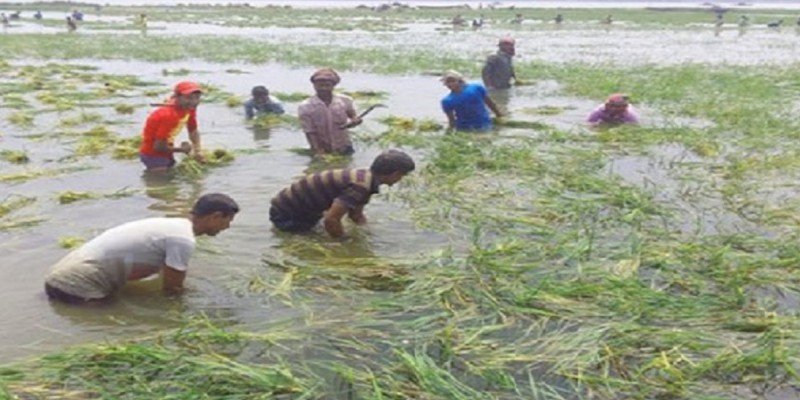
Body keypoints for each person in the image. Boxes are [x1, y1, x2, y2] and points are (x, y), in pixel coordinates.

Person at [44, 193, 239, 304]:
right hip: (77, 285)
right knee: (114, 322)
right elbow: (172, 290)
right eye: (227, 220)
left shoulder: (172, 225)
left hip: (60, 273)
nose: (227, 227)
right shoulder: (183, 239)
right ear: (214, 217)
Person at [269, 150, 415, 238]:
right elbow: (331, 220)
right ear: (395, 173)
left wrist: (366, 233)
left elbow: (355, 215)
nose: (400, 180)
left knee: (319, 234)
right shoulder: (360, 186)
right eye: (402, 175)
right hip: (287, 214)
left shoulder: (366, 177)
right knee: (308, 240)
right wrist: (343, 244)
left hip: (300, 207)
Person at [139, 81, 206, 171]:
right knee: (160, 182)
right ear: (177, 97)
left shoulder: (189, 107)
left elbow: (193, 130)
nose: (194, 102)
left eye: (197, 98)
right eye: (189, 98)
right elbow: (158, 147)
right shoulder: (169, 116)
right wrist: (182, 149)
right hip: (153, 155)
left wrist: (197, 150)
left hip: (167, 149)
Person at [297, 68, 362, 156]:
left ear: (333, 86)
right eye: (320, 85)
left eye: (327, 85)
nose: (323, 88)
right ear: (314, 85)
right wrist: (318, 151)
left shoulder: (345, 100)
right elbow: (309, 132)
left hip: (344, 147)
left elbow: (353, 115)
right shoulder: (305, 106)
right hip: (323, 149)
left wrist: (355, 121)